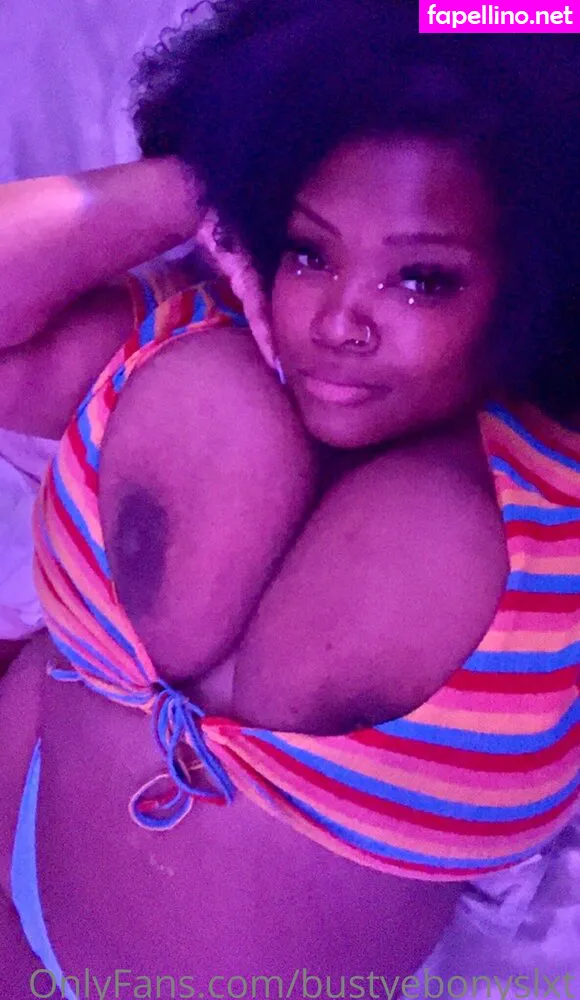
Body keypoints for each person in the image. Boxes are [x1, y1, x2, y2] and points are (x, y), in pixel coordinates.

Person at [1, 0, 579, 994]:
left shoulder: (558, 496)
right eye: (312, 250)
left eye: (421, 280)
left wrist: (502, 21)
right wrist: (200, 179)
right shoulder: (181, 322)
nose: (340, 319)